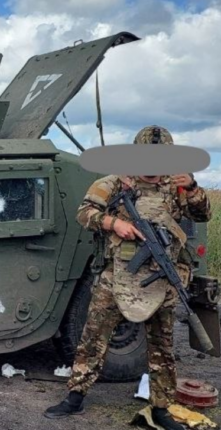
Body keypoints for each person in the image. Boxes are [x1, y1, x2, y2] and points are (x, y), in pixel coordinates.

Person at [43, 126, 213, 429]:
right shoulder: (114, 182)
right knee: (93, 338)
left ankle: (161, 406)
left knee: (161, 345)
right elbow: (84, 213)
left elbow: (203, 215)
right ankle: (75, 396)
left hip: (161, 276)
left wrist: (193, 188)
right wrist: (112, 223)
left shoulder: (176, 185)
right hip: (117, 274)